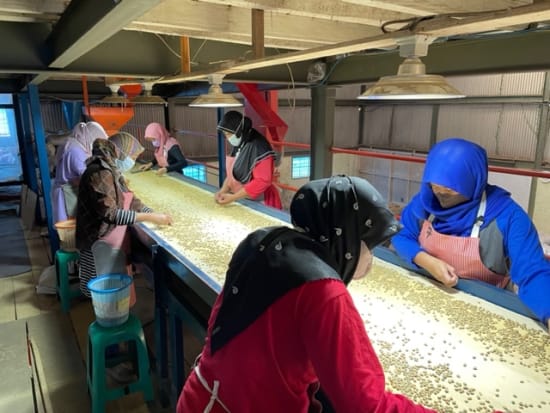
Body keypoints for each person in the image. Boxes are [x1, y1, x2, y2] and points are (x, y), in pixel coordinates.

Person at [175, 175, 450, 413]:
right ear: (347, 239)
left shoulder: (263, 241)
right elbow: (365, 405)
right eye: (370, 245)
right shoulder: (325, 290)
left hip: (201, 395)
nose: (371, 258)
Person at [391, 138, 550, 331]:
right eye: (434, 185)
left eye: (449, 189)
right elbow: (401, 234)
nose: (440, 194)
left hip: (488, 309)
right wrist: (426, 261)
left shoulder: (508, 217)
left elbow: (532, 272)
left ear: (473, 181)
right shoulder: (426, 201)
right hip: (432, 298)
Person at [75, 133, 173, 298]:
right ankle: (105, 310)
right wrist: (150, 218)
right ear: (120, 153)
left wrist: (152, 212)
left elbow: (131, 200)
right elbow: (111, 214)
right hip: (96, 240)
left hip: (108, 237)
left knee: (114, 289)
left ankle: (114, 307)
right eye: (132, 157)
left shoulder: (112, 170)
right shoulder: (100, 172)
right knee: (102, 290)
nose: (133, 161)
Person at [214, 110, 282, 209]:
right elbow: (232, 176)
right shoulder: (240, 142)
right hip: (242, 198)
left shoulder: (258, 147)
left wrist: (233, 197)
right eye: (225, 134)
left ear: (238, 131)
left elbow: (262, 181)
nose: (228, 138)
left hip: (260, 202)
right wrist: (222, 191)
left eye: (229, 134)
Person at [51, 121, 108, 223]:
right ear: (90, 138)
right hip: (67, 195)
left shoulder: (71, 143)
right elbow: (87, 177)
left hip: (65, 190)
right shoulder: (75, 151)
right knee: (70, 227)